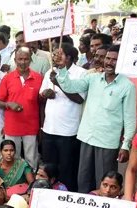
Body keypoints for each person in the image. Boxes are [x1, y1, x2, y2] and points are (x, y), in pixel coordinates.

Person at [51, 45, 135, 193]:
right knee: (83, 180)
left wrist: (126, 145)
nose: (109, 62)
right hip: (87, 137)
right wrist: (62, 68)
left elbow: (129, 118)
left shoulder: (127, 86)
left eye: (115, 60)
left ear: (121, 61)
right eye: (108, 58)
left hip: (107, 142)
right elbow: (70, 87)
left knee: (104, 183)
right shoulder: (93, 78)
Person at [40, 44, 87, 192]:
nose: (55, 57)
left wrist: (59, 84)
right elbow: (41, 95)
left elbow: (79, 99)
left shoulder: (81, 73)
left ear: (69, 58)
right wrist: (47, 93)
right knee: (49, 168)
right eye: (54, 55)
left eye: (59, 55)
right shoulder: (50, 71)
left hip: (68, 132)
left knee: (67, 170)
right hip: (49, 129)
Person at [0, 47, 43, 169]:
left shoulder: (38, 78)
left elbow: (42, 103)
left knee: (31, 158)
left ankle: (31, 182)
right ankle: (13, 183)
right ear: (15, 60)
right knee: (11, 157)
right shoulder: (7, 78)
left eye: (26, 59)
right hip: (12, 126)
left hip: (31, 126)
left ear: (31, 60)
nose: (23, 62)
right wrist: (9, 104)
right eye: (20, 59)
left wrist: (41, 126)